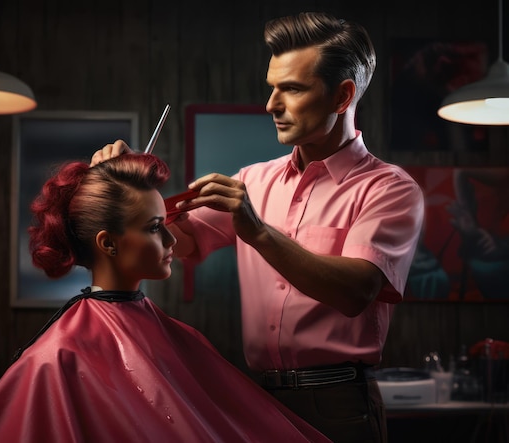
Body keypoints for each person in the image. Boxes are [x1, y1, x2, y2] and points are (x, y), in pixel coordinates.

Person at [91, 12, 425, 442]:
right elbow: (186, 243)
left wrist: (260, 233)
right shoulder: (254, 180)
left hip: (339, 404)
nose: (271, 105)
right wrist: (133, 188)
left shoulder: (389, 189)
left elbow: (355, 293)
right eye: (272, 88)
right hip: (257, 397)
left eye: (293, 89)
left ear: (342, 96)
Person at [0, 153, 329, 443]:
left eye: (165, 225)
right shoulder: (60, 357)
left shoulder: (178, 337)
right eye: (154, 228)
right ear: (108, 243)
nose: (170, 241)